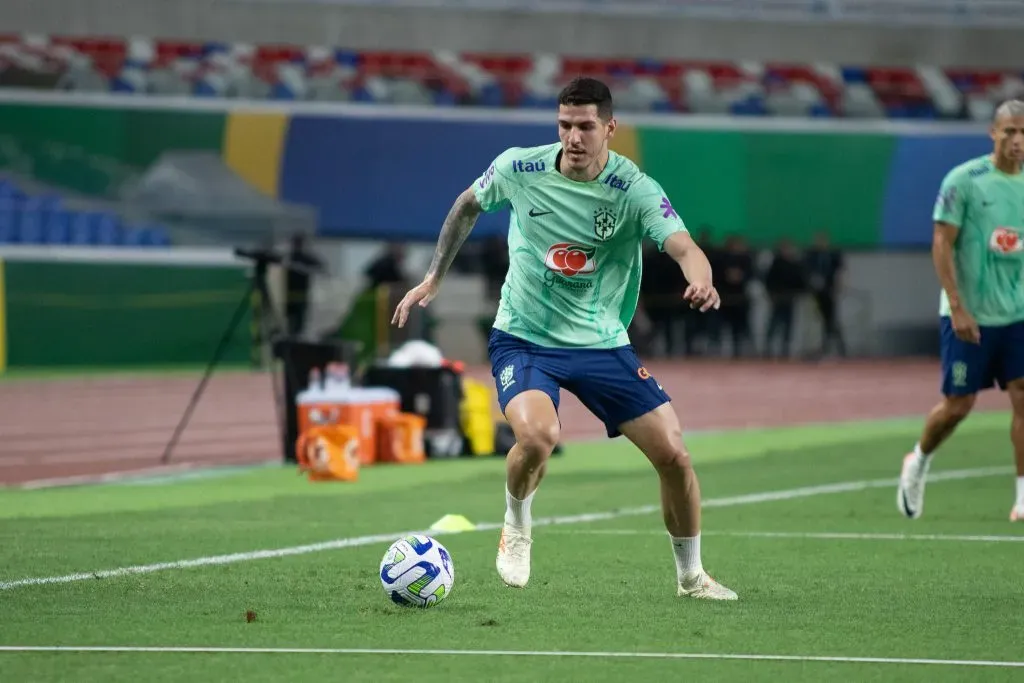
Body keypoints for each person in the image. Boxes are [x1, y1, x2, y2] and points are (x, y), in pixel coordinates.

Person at [392, 76, 737, 600]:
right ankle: (516, 523)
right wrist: (435, 276)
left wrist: (701, 275)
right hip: (525, 337)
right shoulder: (519, 167)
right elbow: (467, 205)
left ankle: (691, 577)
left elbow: (684, 244)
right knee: (537, 437)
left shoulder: (634, 188)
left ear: (610, 129)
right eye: (565, 125)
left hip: (601, 343)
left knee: (675, 456)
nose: (573, 137)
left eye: (585, 127)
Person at [897, 99, 1024, 523]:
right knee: (958, 405)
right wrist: (957, 306)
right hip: (968, 313)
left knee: (1022, 396)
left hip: (1017, 314)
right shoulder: (964, 181)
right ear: (994, 132)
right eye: (1010, 132)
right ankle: (918, 460)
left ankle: (1022, 496)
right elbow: (941, 243)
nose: (1018, 141)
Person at [804, 231, 846, 358]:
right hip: (815, 294)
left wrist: (838, 286)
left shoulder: (833, 255)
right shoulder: (811, 256)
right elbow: (806, 272)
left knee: (831, 320)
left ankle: (838, 348)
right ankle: (817, 349)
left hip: (829, 292)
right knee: (816, 322)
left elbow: (840, 271)